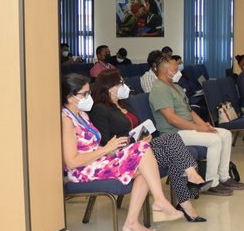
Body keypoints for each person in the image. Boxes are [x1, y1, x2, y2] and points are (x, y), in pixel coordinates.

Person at [60, 73, 183, 231]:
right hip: (83, 170)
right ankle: (157, 204)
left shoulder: (82, 114)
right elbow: (72, 161)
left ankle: (135, 222)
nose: (89, 97)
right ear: (70, 97)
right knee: (142, 155)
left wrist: (114, 148)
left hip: (98, 161)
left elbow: (96, 147)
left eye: (89, 92)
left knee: (143, 160)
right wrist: (107, 149)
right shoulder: (66, 120)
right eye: (85, 94)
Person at [90, 69, 211, 222]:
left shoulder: (124, 103)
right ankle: (188, 198)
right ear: (109, 86)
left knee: (172, 139)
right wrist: (132, 142)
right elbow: (106, 142)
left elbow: (137, 126)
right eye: (120, 83)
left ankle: (191, 181)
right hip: (122, 153)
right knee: (173, 155)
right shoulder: (99, 109)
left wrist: (144, 135)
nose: (124, 86)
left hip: (139, 145)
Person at [149, 56, 244, 196]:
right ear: (166, 72)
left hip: (187, 129)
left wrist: (204, 125)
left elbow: (190, 111)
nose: (179, 72)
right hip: (174, 134)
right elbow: (172, 119)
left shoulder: (176, 87)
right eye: (175, 69)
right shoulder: (160, 90)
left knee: (225, 134)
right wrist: (198, 128)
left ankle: (224, 176)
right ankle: (212, 182)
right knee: (215, 140)